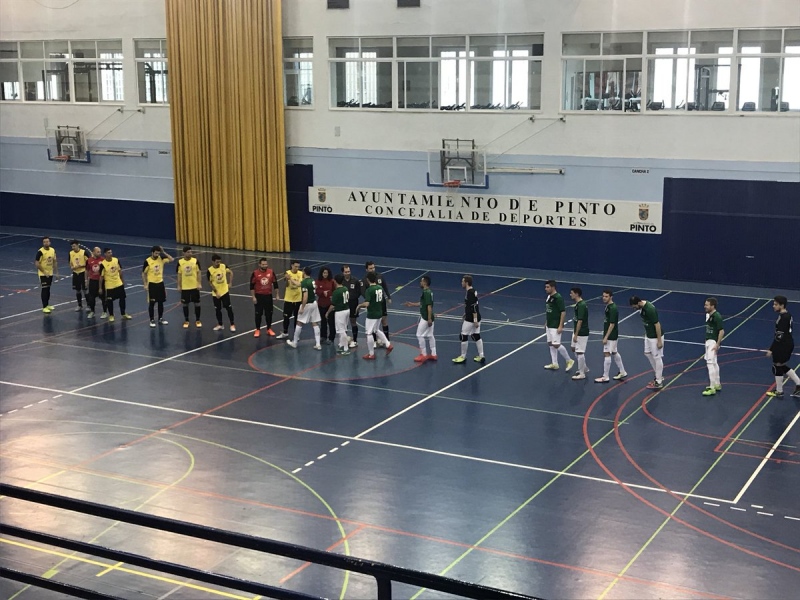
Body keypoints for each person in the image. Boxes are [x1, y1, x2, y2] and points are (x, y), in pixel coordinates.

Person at [766, 295, 800, 398]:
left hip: (783, 345)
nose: (773, 306)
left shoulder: (784, 318)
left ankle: (779, 391)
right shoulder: (786, 315)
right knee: (781, 366)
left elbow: (779, 337)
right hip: (787, 344)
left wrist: (771, 349)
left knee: (777, 366)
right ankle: (799, 384)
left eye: (776, 304)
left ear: (782, 305)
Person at [630, 295, 665, 389]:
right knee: (647, 353)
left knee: (657, 357)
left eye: (634, 307)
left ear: (638, 303)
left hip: (655, 336)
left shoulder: (650, 309)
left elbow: (657, 324)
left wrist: (659, 341)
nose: (634, 309)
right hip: (648, 335)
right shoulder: (641, 307)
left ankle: (659, 381)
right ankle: (659, 375)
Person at [357, 271, 393, 359]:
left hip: (372, 314)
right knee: (376, 330)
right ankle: (388, 344)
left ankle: (371, 354)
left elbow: (367, 304)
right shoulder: (379, 287)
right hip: (379, 312)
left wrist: (359, 306)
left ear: (367, 280)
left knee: (369, 333)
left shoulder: (369, 290)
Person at [595, 289, 627, 383]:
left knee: (607, 353)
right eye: (603, 296)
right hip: (612, 335)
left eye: (606, 296)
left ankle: (605, 376)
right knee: (614, 352)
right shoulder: (608, 307)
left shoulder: (612, 308)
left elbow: (612, 324)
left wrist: (606, 337)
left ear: (611, 297)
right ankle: (622, 371)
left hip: (611, 335)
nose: (604, 298)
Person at [404, 275, 437, 362]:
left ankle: (423, 354)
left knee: (419, 335)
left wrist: (429, 318)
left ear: (425, 283)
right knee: (430, 335)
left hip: (426, 318)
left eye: (421, 281)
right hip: (429, 317)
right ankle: (434, 354)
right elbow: (423, 303)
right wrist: (412, 304)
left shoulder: (426, 292)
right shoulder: (428, 292)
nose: (420, 283)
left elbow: (429, 306)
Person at [286, 266, 321, 349]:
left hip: (307, 304)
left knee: (299, 322)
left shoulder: (305, 282)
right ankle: (318, 344)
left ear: (304, 273)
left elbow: (305, 296)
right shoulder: (311, 280)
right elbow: (299, 284)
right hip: (314, 303)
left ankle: (294, 343)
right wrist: (290, 279)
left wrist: (302, 308)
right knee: (315, 323)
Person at [452, 274, 484, 364]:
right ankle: (481, 355)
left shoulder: (470, 293)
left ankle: (463, 356)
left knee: (463, 335)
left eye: (462, 281)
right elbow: (471, 306)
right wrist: (465, 313)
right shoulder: (473, 291)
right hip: (474, 317)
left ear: (466, 283)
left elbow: (474, 307)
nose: (461, 283)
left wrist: (475, 320)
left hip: (471, 319)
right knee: (476, 335)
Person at [543, 280, 574, 371]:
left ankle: (569, 360)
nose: (546, 289)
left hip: (555, 325)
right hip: (549, 324)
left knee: (556, 344)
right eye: (545, 287)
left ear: (553, 287)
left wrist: (561, 325)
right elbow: (550, 311)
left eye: (548, 287)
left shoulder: (558, 298)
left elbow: (563, 312)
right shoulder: (549, 297)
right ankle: (554, 363)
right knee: (550, 343)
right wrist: (546, 322)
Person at [142, 245, 173, 327]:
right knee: (152, 303)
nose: (157, 255)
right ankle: (152, 320)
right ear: (152, 253)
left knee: (161, 302)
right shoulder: (147, 261)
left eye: (158, 253)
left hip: (160, 283)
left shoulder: (161, 258)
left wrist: (163, 252)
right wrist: (145, 284)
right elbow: (144, 273)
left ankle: (160, 318)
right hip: (152, 284)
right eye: (156, 253)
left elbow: (171, 259)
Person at [99, 247, 131, 322]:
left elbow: (120, 271)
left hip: (118, 283)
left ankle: (123, 313)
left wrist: (122, 281)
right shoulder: (103, 264)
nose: (110, 254)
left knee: (122, 298)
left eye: (111, 252)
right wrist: (100, 288)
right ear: (105, 254)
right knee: (110, 301)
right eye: (109, 253)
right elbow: (101, 277)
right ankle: (111, 315)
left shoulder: (116, 260)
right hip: (109, 285)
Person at [363, 261, 391, 345]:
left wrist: (389, 297)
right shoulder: (365, 280)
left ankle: (386, 340)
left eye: (373, 268)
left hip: (381, 302)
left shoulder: (380, 276)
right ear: (366, 269)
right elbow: (364, 292)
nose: (372, 270)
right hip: (372, 304)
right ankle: (374, 341)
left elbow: (385, 286)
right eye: (370, 268)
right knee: (373, 323)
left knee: (384, 321)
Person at [250, 258, 278, 338]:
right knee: (258, 313)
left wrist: (277, 294)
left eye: (266, 264)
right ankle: (257, 329)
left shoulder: (271, 272)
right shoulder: (255, 273)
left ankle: (269, 328)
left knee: (269, 313)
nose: (265, 266)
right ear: (259, 264)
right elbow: (251, 286)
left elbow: (275, 284)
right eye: (263, 264)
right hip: (259, 296)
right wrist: (253, 297)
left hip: (268, 296)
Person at [702, 297, 724, 396]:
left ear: (712, 306)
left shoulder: (717, 316)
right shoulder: (709, 315)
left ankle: (711, 387)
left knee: (710, 363)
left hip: (712, 342)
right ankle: (717, 384)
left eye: (707, 305)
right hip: (709, 341)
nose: (705, 306)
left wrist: (717, 344)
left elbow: (721, 331)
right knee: (714, 363)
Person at [208, 254, 235, 332]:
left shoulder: (223, 266)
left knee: (228, 308)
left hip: (225, 291)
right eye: (217, 262)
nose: (218, 263)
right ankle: (220, 324)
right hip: (216, 294)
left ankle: (232, 324)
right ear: (213, 262)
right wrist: (216, 292)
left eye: (219, 262)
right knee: (217, 309)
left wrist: (230, 283)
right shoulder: (210, 270)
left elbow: (231, 273)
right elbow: (210, 283)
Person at [177, 246, 202, 328]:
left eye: (191, 252)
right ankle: (186, 320)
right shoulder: (180, 262)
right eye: (188, 252)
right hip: (185, 287)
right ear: (183, 253)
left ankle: (198, 320)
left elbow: (199, 273)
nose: (190, 253)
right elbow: (179, 275)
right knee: (185, 305)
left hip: (194, 286)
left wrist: (199, 283)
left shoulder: (195, 261)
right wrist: (179, 285)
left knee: (197, 304)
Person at [277, 260, 303, 339]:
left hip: (298, 299)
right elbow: (287, 284)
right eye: (295, 266)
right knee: (286, 317)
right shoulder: (287, 273)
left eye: (298, 267)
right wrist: (286, 279)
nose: (297, 268)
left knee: (297, 318)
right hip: (289, 299)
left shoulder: (301, 274)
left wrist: (291, 279)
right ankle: (285, 332)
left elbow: (299, 284)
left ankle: (296, 335)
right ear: (292, 265)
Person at [326, 274, 351, 355]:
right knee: (344, 328)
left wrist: (327, 313)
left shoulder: (336, 292)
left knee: (341, 330)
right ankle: (342, 345)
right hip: (347, 310)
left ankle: (346, 348)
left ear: (335, 281)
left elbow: (333, 305)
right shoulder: (345, 288)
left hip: (340, 312)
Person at [569, 287, 589, 380]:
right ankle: (584, 368)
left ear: (577, 294)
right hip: (576, 331)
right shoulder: (578, 304)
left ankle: (582, 373)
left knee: (580, 352)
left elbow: (580, 321)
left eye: (572, 293)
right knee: (573, 348)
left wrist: (576, 334)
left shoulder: (581, 305)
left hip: (581, 332)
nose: (570, 294)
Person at [34, 236, 57, 314]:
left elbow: (54, 261)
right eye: (44, 242)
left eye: (47, 241)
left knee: (48, 289)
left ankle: (47, 305)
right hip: (43, 274)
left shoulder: (52, 250)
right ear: (43, 243)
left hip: (50, 273)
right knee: (44, 289)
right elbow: (37, 263)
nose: (46, 243)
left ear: (49, 242)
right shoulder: (40, 252)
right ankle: (44, 307)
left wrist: (56, 272)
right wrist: (44, 272)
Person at [342, 264, 362, 347]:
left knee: (353, 321)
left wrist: (352, 297)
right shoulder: (341, 281)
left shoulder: (355, 281)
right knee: (344, 323)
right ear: (343, 273)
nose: (348, 273)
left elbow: (359, 292)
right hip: (343, 304)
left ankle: (355, 340)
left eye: (349, 271)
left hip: (353, 304)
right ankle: (344, 339)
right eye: (346, 272)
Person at [68, 240, 90, 312]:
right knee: (77, 290)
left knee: (85, 290)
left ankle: (89, 305)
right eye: (72, 246)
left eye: (74, 246)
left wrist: (82, 265)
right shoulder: (71, 253)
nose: (73, 248)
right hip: (75, 273)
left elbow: (89, 263)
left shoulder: (84, 252)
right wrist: (72, 267)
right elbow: (70, 262)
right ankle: (79, 305)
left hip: (83, 272)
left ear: (78, 245)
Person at [316, 266, 335, 344]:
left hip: (329, 305)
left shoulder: (332, 281)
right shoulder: (318, 281)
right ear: (321, 273)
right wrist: (322, 293)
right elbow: (316, 290)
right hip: (321, 304)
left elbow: (334, 291)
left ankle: (331, 338)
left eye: (326, 273)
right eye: (324, 273)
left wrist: (332, 297)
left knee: (331, 322)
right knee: (323, 321)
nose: (325, 274)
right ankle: (323, 336)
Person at [85, 246, 105, 319]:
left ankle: (104, 312)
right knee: (91, 297)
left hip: (101, 281)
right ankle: (92, 311)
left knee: (103, 297)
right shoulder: (89, 260)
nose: (99, 253)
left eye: (100, 252)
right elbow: (87, 270)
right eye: (98, 252)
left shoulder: (103, 260)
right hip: (92, 281)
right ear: (93, 252)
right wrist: (86, 280)